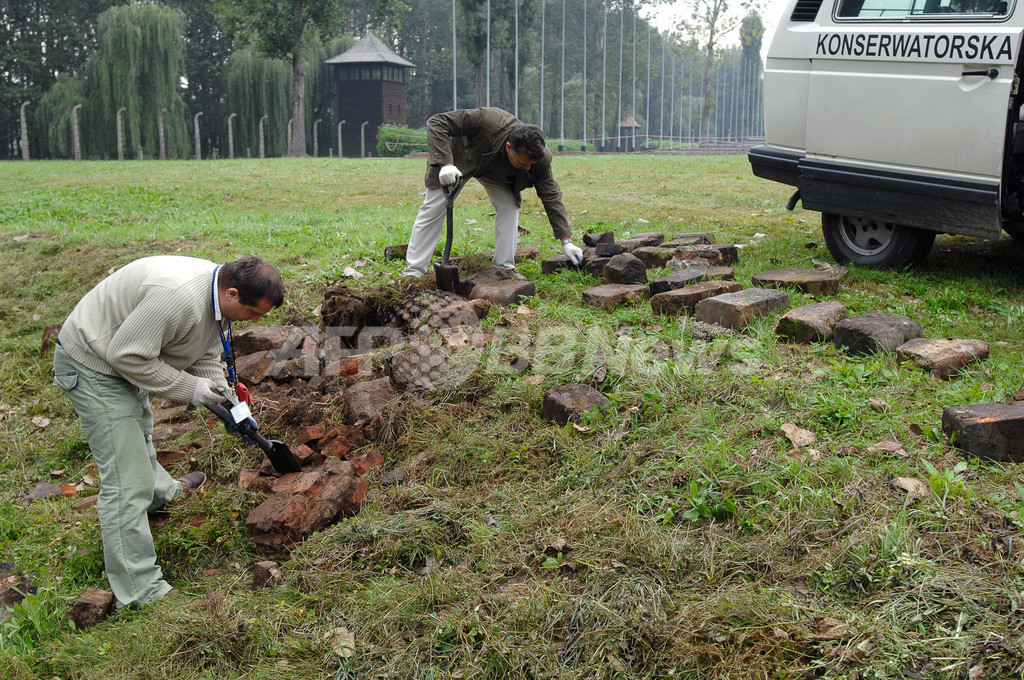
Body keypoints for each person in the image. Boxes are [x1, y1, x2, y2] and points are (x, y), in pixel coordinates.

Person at [52, 254, 284, 609]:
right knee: (125, 479)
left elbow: (204, 351)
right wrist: (191, 389)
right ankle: (140, 588)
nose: (254, 321)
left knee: (137, 429)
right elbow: (126, 355)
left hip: (123, 360)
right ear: (233, 293)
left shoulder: (215, 293)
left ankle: (161, 492)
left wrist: (223, 396)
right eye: (254, 313)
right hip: (94, 363)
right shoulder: (176, 296)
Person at [402, 107, 584, 278]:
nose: (528, 168)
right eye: (523, 163)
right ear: (508, 147)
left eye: (531, 164)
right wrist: (445, 164)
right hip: (460, 159)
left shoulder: (540, 158)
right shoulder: (486, 120)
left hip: (499, 172)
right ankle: (414, 271)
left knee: (509, 206)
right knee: (435, 207)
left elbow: (551, 195)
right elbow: (437, 122)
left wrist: (566, 241)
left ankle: (504, 267)